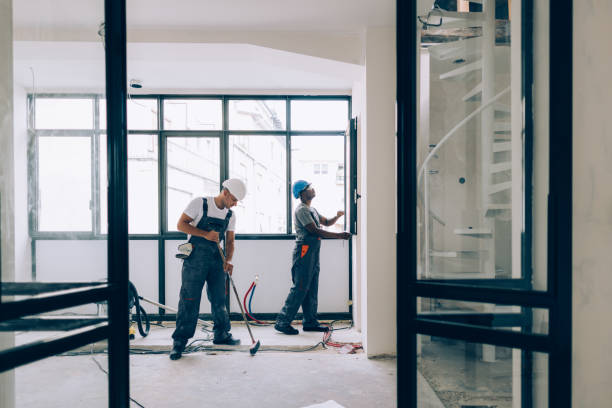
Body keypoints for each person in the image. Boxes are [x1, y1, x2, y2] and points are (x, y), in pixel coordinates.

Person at [170, 178, 247, 360]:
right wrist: (205, 234)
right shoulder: (200, 203)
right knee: (189, 298)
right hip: (195, 259)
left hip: (216, 261)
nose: (235, 204)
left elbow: (230, 241)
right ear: (225, 192)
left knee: (220, 299)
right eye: (234, 199)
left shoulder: (230, 215)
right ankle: (179, 342)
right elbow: (181, 225)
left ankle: (221, 334)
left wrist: (228, 260)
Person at [274, 180, 351, 335]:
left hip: (313, 252)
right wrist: (339, 236)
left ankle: (310, 322)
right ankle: (282, 321)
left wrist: (337, 217)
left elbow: (327, 223)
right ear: (302, 193)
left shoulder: (312, 209)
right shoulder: (301, 210)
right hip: (304, 251)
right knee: (301, 287)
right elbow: (315, 230)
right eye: (309, 188)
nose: (312, 189)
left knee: (312, 286)